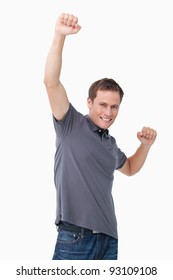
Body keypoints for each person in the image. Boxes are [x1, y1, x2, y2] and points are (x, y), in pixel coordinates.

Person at [44, 13, 157, 260]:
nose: (108, 112)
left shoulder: (110, 143)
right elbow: (51, 82)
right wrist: (60, 36)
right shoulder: (70, 123)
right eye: (103, 104)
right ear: (90, 102)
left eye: (114, 107)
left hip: (109, 239)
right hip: (75, 236)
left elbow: (129, 168)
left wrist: (145, 146)